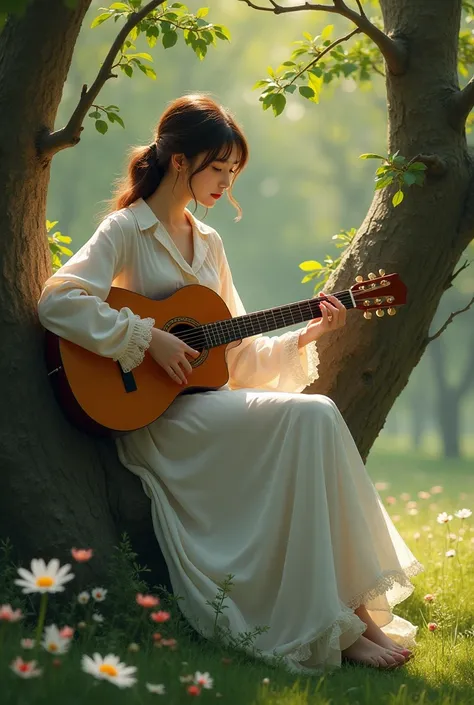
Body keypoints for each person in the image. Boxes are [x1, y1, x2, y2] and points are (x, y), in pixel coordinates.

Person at [38, 93, 424, 674]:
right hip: (154, 418)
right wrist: (147, 339)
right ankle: (340, 627)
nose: (226, 182)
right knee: (311, 416)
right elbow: (58, 300)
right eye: (217, 168)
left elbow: (234, 353)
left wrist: (305, 337)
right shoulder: (127, 229)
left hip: (206, 406)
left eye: (233, 171)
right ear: (179, 162)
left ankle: (352, 616)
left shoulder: (210, 244)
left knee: (314, 415)